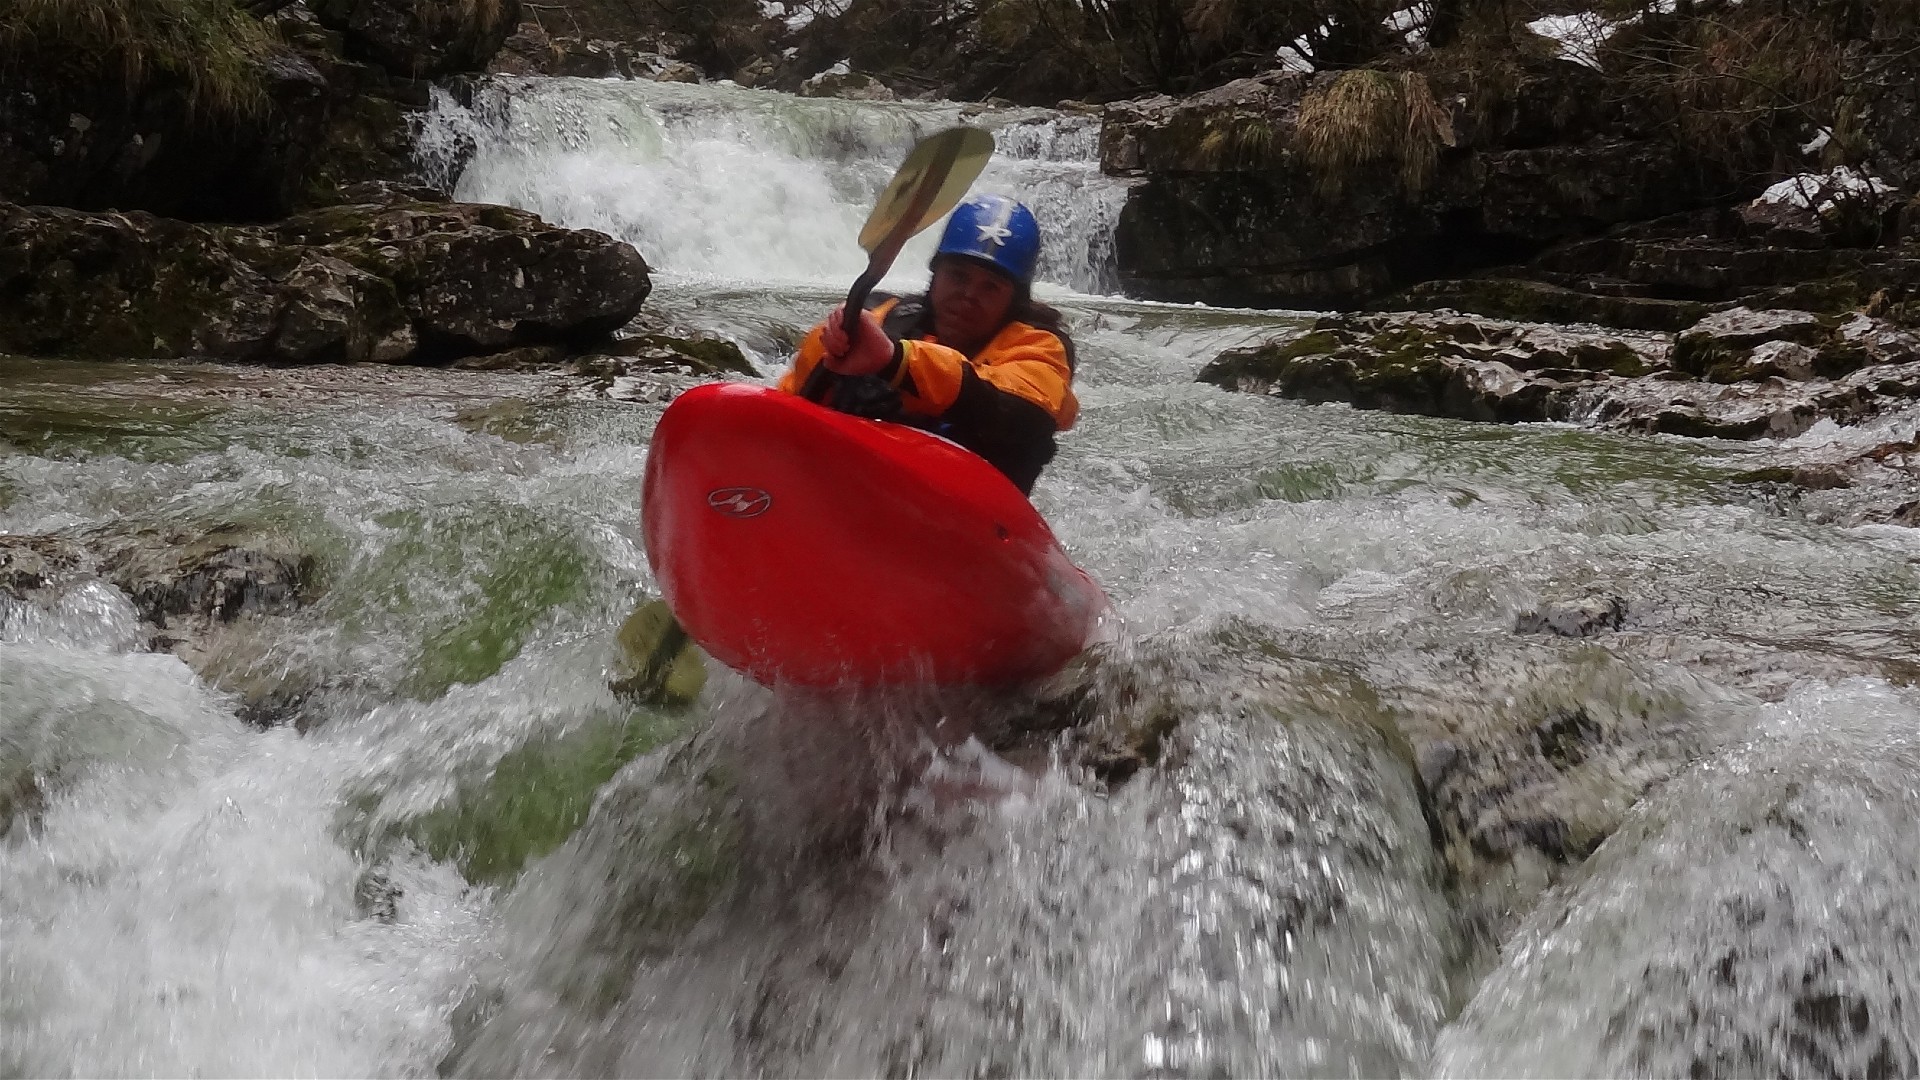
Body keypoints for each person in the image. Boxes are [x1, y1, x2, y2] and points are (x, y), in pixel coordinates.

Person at [777, 194, 1077, 495]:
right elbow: (786, 411)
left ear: (1015, 300)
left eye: (991, 287)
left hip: (971, 513)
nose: (969, 295)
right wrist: (834, 350)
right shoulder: (879, 319)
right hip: (856, 492)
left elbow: (1023, 410)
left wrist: (896, 362)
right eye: (958, 276)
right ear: (935, 276)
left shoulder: (1042, 347)